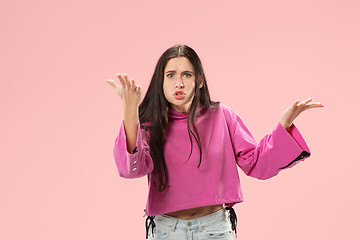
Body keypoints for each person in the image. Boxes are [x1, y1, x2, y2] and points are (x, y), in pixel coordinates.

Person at [105, 44, 324, 240]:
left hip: (215, 229)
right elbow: (131, 168)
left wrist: (283, 126)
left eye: (187, 74)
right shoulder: (150, 125)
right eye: (170, 75)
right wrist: (129, 112)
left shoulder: (222, 116)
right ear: (161, 81)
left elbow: (256, 163)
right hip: (166, 231)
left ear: (199, 80)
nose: (179, 83)